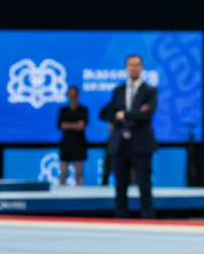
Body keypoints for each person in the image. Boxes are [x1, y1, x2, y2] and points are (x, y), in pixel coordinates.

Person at [99, 55, 157, 219]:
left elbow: (147, 114)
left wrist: (124, 114)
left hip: (141, 143)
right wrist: (133, 113)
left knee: (144, 187)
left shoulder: (150, 91)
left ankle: (148, 222)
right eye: (131, 65)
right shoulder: (119, 90)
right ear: (126, 68)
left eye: (137, 65)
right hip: (120, 144)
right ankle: (120, 221)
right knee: (120, 189)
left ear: (142, 67)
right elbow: (110, 113)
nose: (134, 68)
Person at [57, 85, 88, 186]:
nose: (72, 97)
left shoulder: (83, 110)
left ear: (77, 95)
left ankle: (80, 193)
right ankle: (61, 193)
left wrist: (68, 125)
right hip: (66, 142)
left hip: (79, 142)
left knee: (79, 173)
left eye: (74, 94)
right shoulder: (63, 110)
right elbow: (61, 125)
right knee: (63, 172)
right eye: (70, 94)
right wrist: (75, 125)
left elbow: (81, 125)